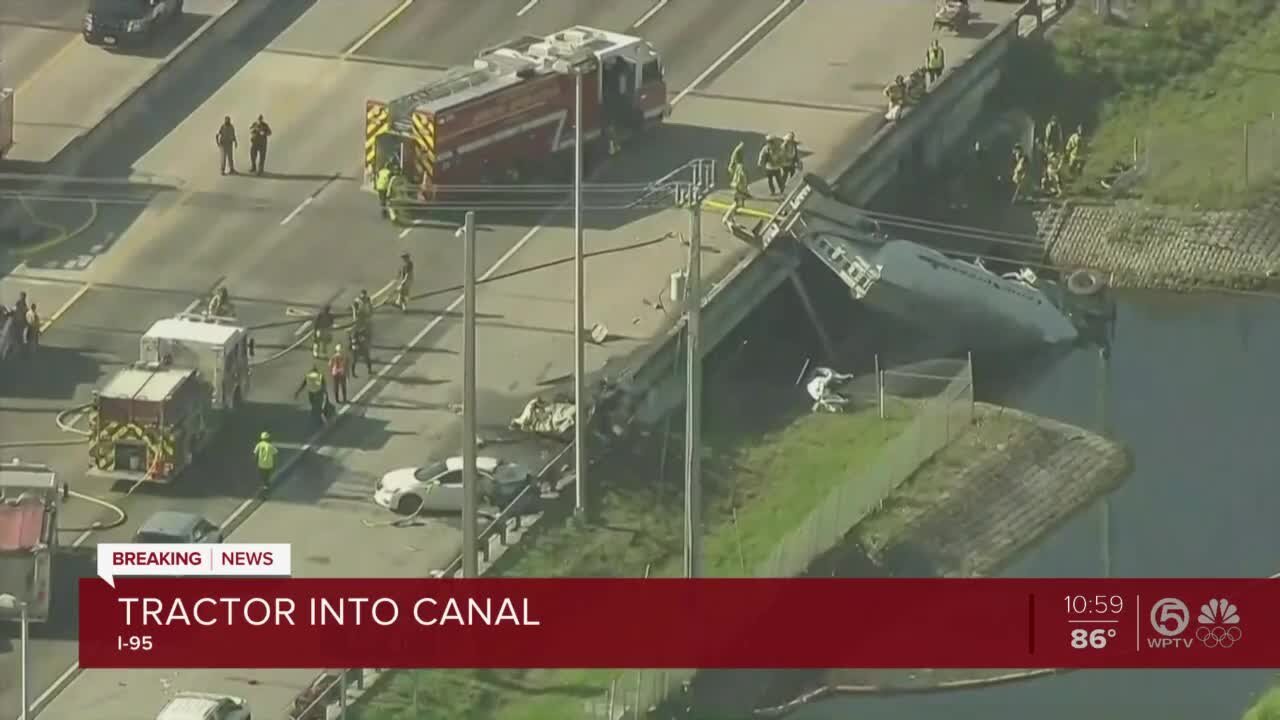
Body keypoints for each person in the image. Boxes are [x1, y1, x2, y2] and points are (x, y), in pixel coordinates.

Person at [722, 162, 750, 230]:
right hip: (739, 193)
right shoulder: (740, 176)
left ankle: (730, 219)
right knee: (736, 205)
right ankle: (726, 219)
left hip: (740, 193)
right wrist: (743, 192)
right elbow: (739, 185)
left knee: (738, 206)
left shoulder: (740, 175)